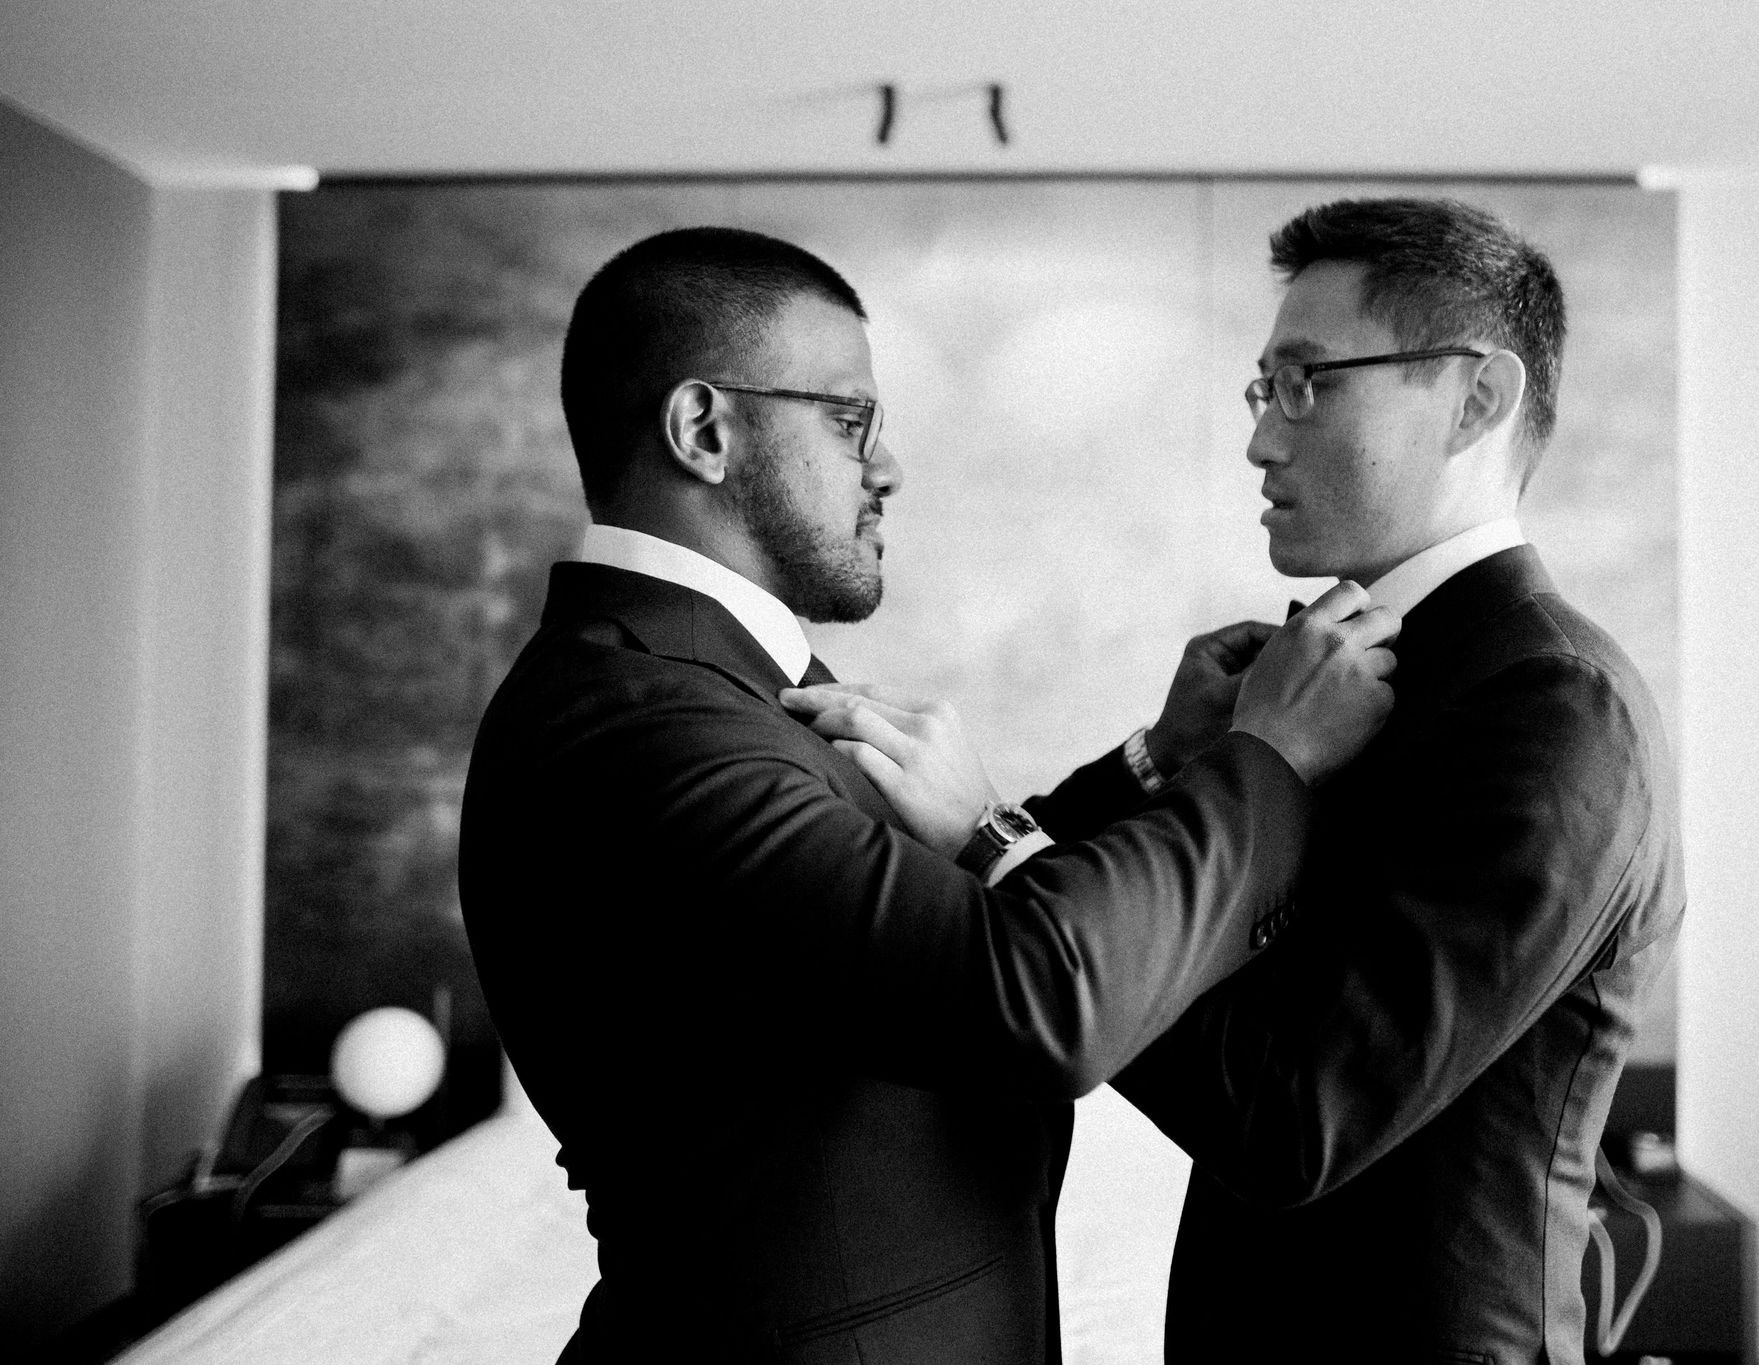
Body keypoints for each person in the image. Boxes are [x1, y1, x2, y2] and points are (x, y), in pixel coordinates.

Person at [456, 225, 1400, 1365]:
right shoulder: (638, 726)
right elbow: (1035, 995)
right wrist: (1271, 761)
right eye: (850, 420)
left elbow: (918, 935)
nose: (888, 467)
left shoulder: (702, 687)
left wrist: (1154, 762)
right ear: (704, 430)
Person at [798, 197, 1684, 1363]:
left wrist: (986, 828)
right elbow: (1122, 911)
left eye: (1308, 382)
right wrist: (1159, 759)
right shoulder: (1322, 672)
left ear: (1476, 397)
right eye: (1263, 391)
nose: (1262, 440)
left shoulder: (1554, 708)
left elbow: (1290, 1123)